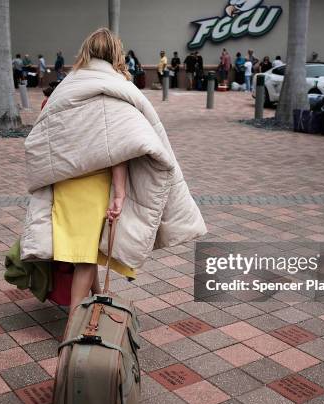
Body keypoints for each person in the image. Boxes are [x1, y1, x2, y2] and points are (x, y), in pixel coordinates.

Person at [22, 27, 206, 315]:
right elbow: (119, 148)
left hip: (64, 184)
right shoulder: (115, 88)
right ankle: (74, 326)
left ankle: (99, 307)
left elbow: (44, 136)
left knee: (85, 252)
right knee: (85, 258)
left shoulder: (66, 86)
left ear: (86, 52)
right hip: (94, 184)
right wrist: (120, 194)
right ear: (115, 54)